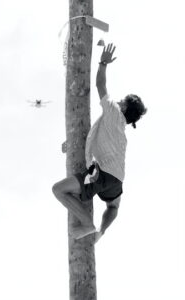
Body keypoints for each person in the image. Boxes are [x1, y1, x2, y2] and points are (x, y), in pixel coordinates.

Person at [52, 43, 147, 243]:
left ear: (124, 105)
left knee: (58, 189)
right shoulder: (120, 132)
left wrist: (103, 63)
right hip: (117, 178)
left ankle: (87, 223)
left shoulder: (113, 111)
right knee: (113, 207)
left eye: (122, 100)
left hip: (102, 175)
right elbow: (94, 139)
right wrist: (72, 145)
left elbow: (100, 85)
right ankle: (101, 232)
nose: (119, 100)